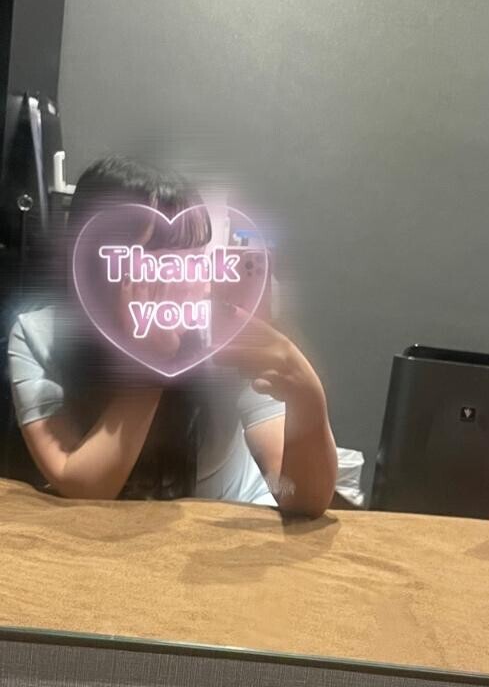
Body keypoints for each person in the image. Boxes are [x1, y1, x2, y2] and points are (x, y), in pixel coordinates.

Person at [7, 155, 338, 516]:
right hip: (113, 535)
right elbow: (82, 486)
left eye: (195, 257)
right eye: (159, 261)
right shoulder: (39, 335)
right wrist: (153, 366)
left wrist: (308, 400)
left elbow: (294, 494)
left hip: (222, 524)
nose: (185, 281)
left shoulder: (229, 336)